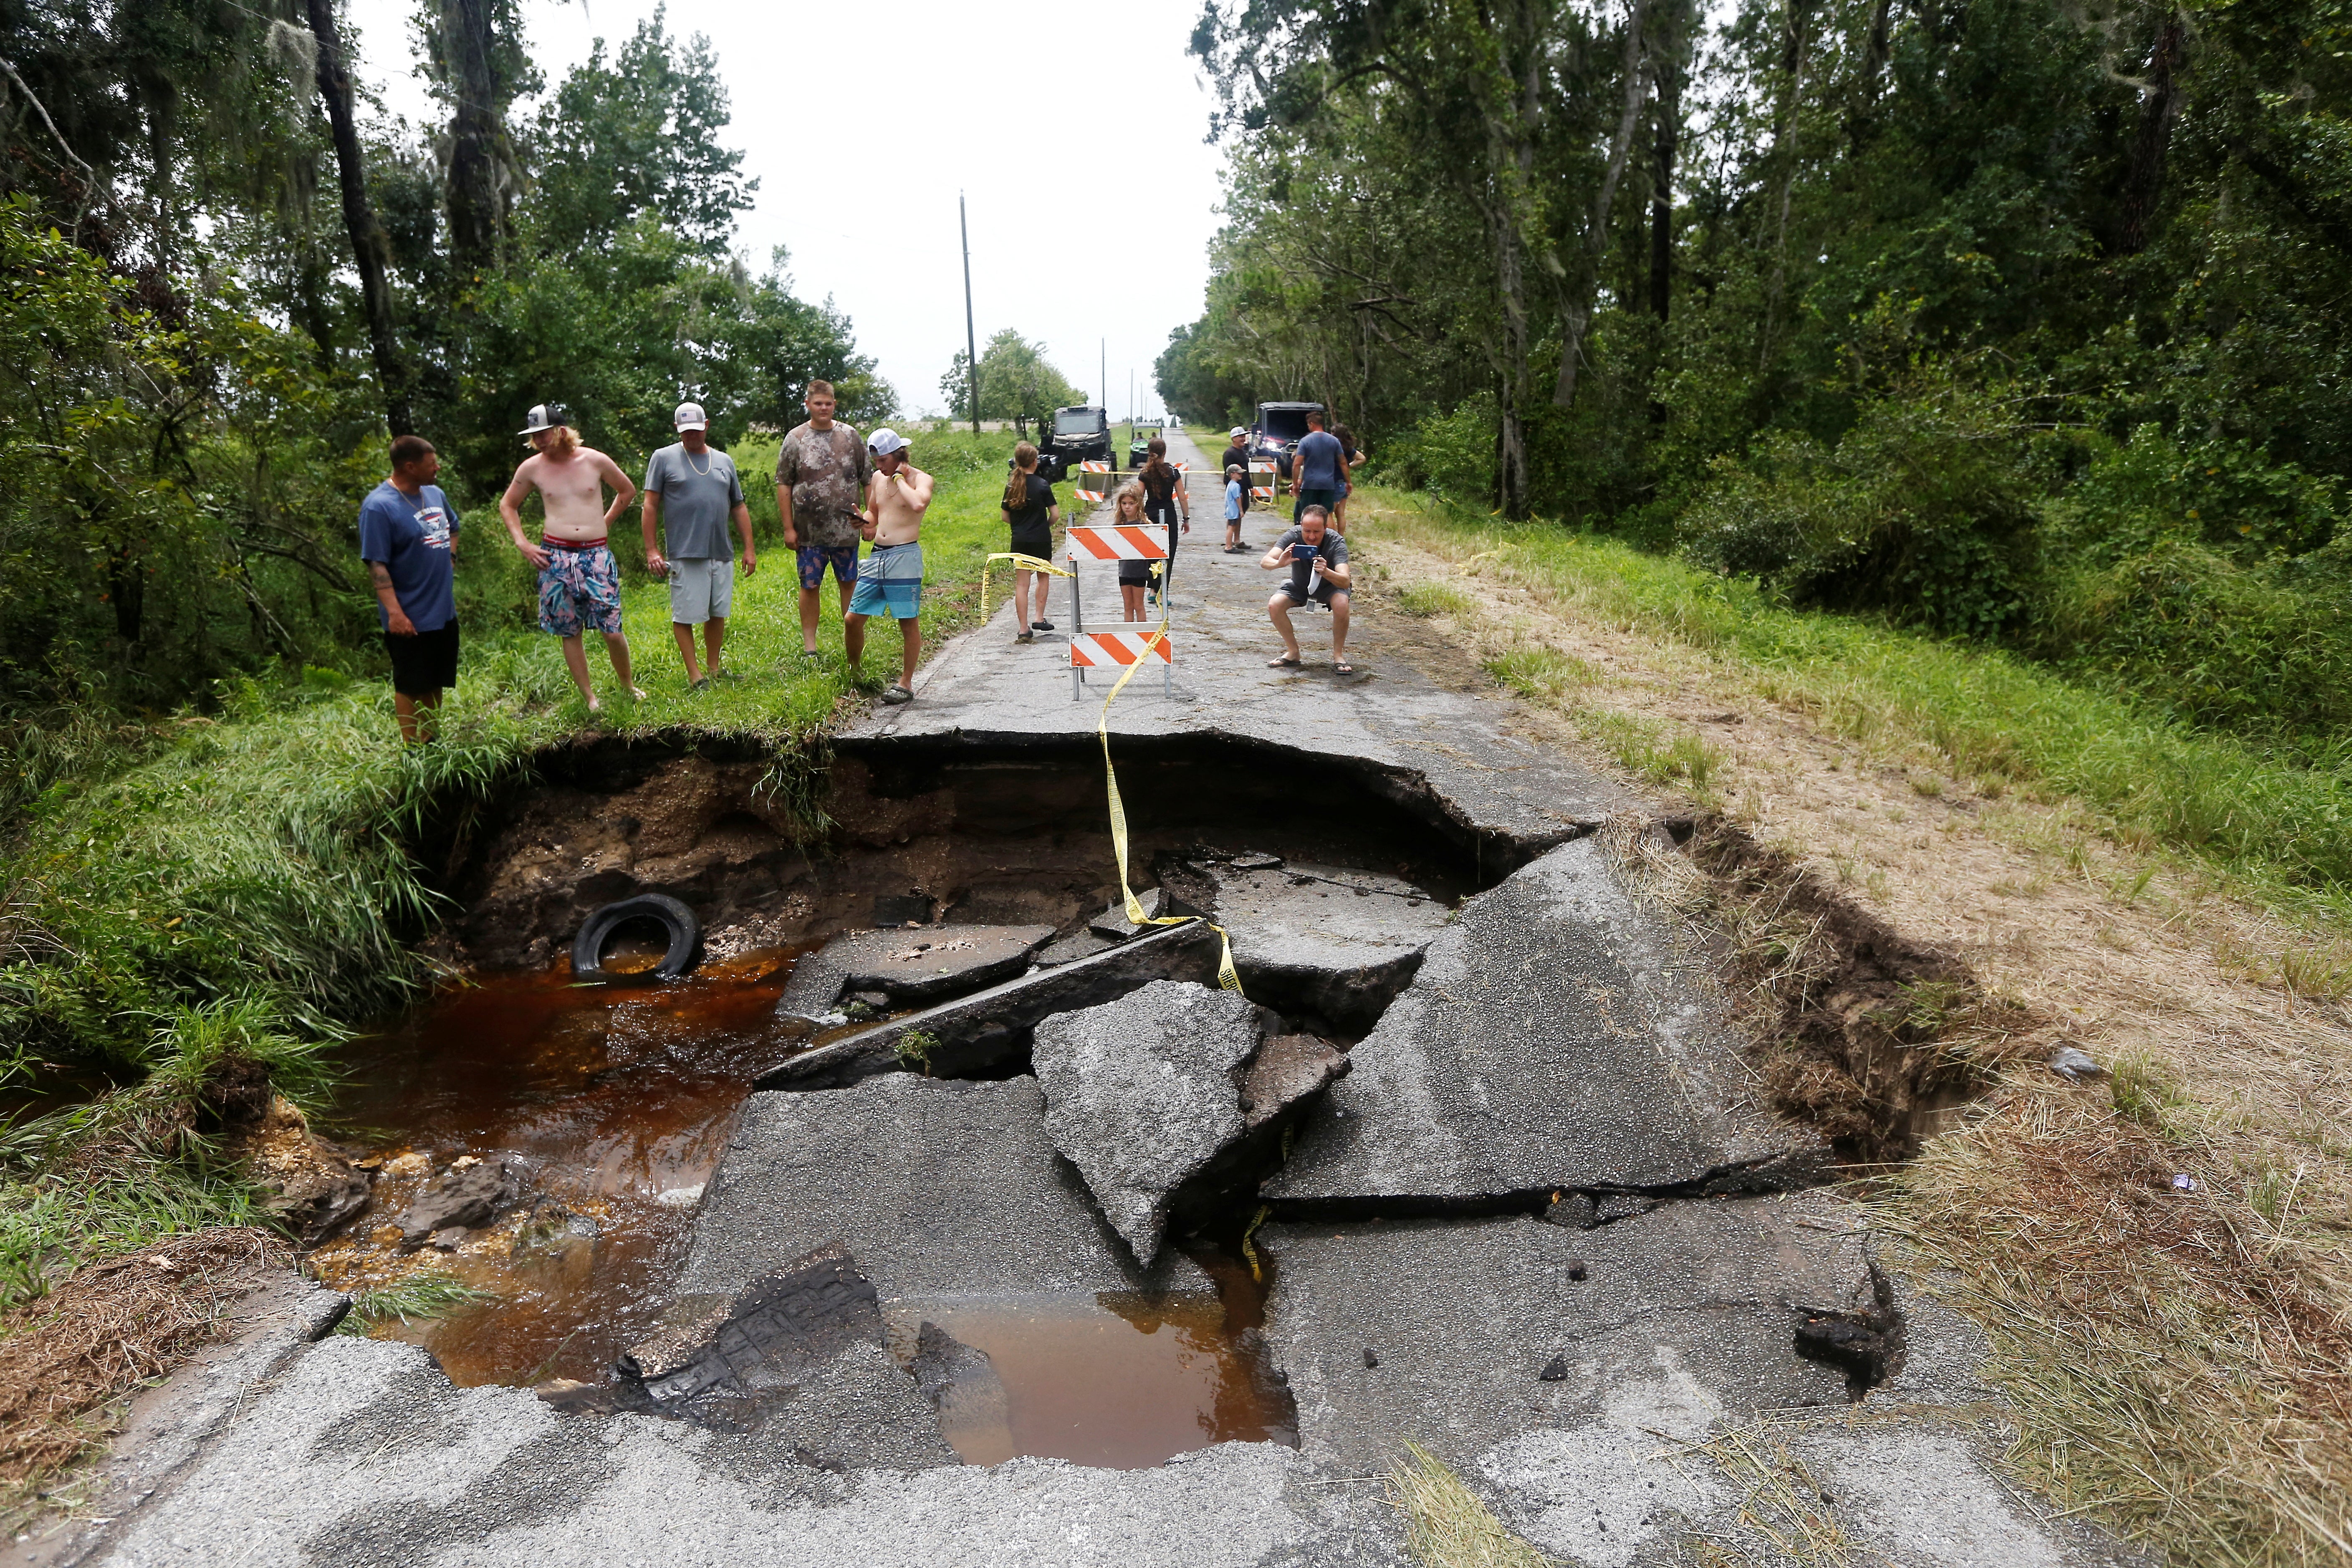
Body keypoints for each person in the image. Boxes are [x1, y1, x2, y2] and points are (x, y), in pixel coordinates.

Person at [500, 403, 643, 710]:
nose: (538, 440)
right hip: (555, 558)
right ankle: (590, 698)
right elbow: (508, 505)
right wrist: (522, 543)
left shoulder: (594, 460)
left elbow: (627, 491)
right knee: (569, 629)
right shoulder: (531, 468)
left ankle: (627, 685)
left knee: (612, 629)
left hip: (595, 556)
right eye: (534, 435)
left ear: (561, 430)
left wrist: (603, 523)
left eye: (543, 433)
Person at [642, 401, 756, 689]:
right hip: (685, 551)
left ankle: (714, 668)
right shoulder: (663, 458)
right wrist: (652, 549)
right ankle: (696, 676)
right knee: (686, 613)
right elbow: (650, 505)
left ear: (706, 426)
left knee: (717, 612)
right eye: (685, 431)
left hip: (721, 550)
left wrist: (749, 548)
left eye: (695, 430)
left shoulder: (724, 461)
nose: (691, 435)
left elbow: (739, 506)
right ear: (677, 430)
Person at [359, 434, 460, 743]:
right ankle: (412, 747)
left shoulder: (435, 493)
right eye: (431, 464)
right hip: (409, 614)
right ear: (409, 466)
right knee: (411, 682)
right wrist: (395, 613)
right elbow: (377, 564)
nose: (437, 468)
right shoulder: (379, 507)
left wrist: (450, 559)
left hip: (442, 609)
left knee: (436, 678)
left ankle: (432, 739)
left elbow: (453, 528)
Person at [774, 379, 873, 659]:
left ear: (834, 404)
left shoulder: (850, 435)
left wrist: (869, 518)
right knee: (809, 585)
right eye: (818, 403)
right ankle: (810, 648)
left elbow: (868, 479)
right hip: (808, 533)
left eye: (828, 403)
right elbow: (784, 484)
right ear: (808, 404)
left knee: (849, 583)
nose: (824, 408)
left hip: (846, 530)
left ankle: (853, 643)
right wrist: (788, 527)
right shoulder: (795, 438)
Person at [844, 429, 935, 704]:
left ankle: (905, 682)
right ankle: (854, 673)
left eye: (883, 461)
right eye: (876, 462)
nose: (878, 467)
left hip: (904, 556)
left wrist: (899, 477)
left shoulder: (921, 479)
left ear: (898, 455)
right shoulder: (877, 478)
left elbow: (918, 504)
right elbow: (874, 512)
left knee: (907, 621)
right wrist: (863, 519)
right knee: (852, 619)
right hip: (877, 556)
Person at [1263, 503, 1353, 674]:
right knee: (1275, 605)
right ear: (1301, 526)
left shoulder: (1336, 542)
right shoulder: (1293, 535)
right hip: (1300, 586)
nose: (1311, 537)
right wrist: (1279, 563)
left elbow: (1345, 581)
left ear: (1326, 528)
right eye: (1307, 531)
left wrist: (1326, 572)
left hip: (1330, 587)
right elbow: (1265, 562)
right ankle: (1293, 652)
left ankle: (1338, 655)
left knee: (1341, 603)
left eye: (1317, 532)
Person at [1001, 441, 1060, 644]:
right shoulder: (1043, 485)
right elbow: (1055, 514)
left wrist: (1019, 526)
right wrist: (1044, 526)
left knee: (1022, 584)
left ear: (1017, 462)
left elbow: (1004, 516)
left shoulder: (1011, 486)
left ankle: (1023, 628)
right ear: (1035, 462)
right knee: (1043, 578)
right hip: (1041, 539)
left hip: (1020, 541)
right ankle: (1039, 618)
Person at [1137, 437, 1189, 606]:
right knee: (1168, 553)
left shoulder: (1145, 473)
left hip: (1150, 514)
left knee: (1152, 553)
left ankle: (1152, 589)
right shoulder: (1173, 472)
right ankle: (1160, 592)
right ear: (1164, 453)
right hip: (1168, 514)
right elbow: (1182, 497)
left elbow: (1138, 497)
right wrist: (1186, 518)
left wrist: (1139, 518)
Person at [1109, 482, 1155, 622]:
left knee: (1139, 605)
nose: (1127, 507)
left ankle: (1142, 634)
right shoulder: (1118, 525)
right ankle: (1128, 636)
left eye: (1131, 503)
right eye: (1124, 503)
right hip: (1124, 571)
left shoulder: (1145, 525)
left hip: (1139, 571)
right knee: (1128, 606)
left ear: (1138, 505)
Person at [1291, 409, 1346, 524]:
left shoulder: (1305, 441)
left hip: (1310, 485)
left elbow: (1297, 464)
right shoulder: (1334, 441)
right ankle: (1330, 541)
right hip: (1328, 485)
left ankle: (1307, 539)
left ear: (1311, 424)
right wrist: (1349, 482)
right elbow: (1343, 462)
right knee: (1327, 514)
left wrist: (1296, 484)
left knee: (1307, 514)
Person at [1332, 422, 1368, 531]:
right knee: (1341, 513)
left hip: (1335, 482)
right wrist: (1349, 466)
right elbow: (1362, 458)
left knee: (1328, 513)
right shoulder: (1349, 448)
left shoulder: (1334, 448)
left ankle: (1333, 539)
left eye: (1333, 432)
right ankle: (1341, 537)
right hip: (1344, 483)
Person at [1222, 463, 1247, 553]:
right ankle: (1228, 546)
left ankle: (1229, 544)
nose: (1241, 475)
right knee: (1231, 527)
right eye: (1239, 473)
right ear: (1232, 474)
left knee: (1230, 526)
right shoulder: (1236, 486)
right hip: (1234, 510)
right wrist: (1241, 510)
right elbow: (1238, 498)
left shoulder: (1230, 484)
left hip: (1230, 509)